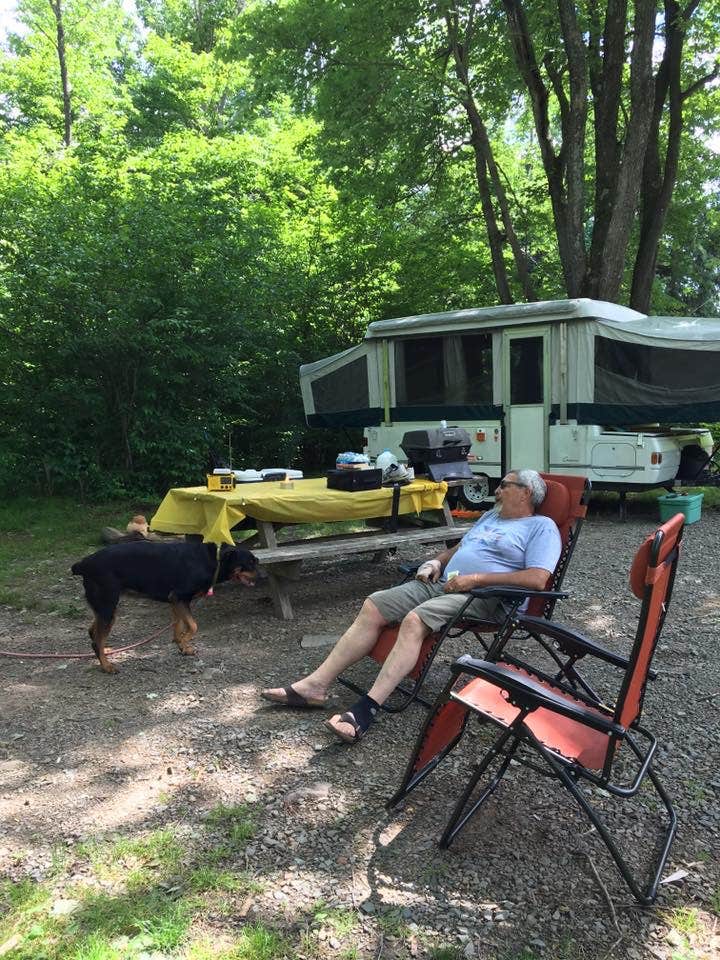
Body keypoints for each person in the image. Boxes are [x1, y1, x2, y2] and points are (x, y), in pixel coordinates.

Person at [261, 469, 561, 744]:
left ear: (525, 493)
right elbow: (460, 549)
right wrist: (434, 561)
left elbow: (537, 579)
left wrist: (476, 579)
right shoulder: (490, 517)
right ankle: (315, 686)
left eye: (505, 485)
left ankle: (367, 709)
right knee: (374, 605)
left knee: (416, 619)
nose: (497, 490)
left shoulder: (541, 527)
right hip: (446, 582)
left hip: (489, 598)